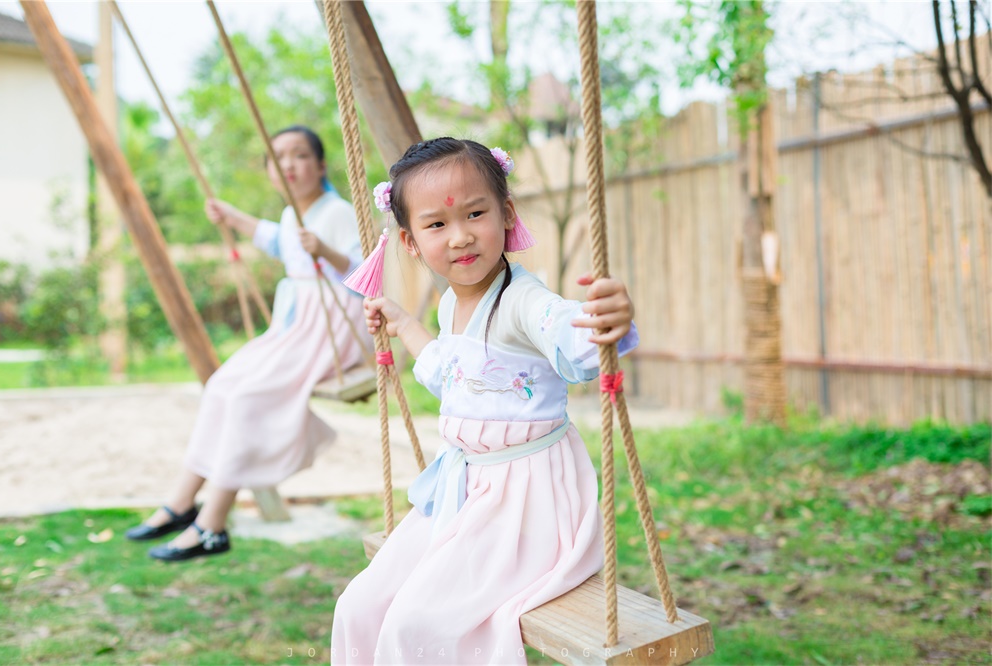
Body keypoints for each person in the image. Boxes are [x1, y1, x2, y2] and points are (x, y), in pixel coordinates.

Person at [330, 137, 638, 664]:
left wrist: (607, 322)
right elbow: (457, 379)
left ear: (506, 213)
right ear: (409, 241)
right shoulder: (453, 302)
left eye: (476, 213)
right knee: (356, 606)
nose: (461, 236)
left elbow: (571, 335)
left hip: (528, 503)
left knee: (415, 624)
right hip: (467, 491)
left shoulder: (523, 300)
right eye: (436, 225)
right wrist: (404, 323)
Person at [124, 125, 368, 562]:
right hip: (295, 323)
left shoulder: (338, 211)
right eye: (278, 158)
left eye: (299, 156)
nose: (288, 165)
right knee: (222, 385)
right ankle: (181, 503)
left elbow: (364, 276)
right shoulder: (295, 213)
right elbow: (276, 237)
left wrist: (327, 252)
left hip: (332, 325)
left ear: (320, 165)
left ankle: (212, 524)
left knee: (248, 397)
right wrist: (233, 217)